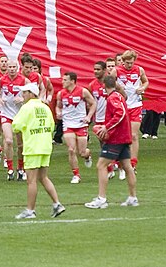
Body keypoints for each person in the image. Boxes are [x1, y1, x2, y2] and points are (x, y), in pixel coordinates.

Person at [11, 83, 66, 219]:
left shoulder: (26, 108)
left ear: (31, 93)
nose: (22, 95)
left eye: (24, 93)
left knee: (31, 180)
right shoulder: (45, 107)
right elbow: (52, 125)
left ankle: (30, 210)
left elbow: (16, 126)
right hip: (45, 146)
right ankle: (57, 203)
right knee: (43, 177)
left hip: (32, 147)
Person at [85, 74, 139, 209]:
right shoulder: (119, 96)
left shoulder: (112, 98)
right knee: (127, 167)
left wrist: (106, 127)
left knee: (101, 165)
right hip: (124, 137)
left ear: (104, 86)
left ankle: (101, 198)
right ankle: (133, 197)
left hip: (116, 138)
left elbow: (119, 114)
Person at [57, 70, 95, 184]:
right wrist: (58, 112)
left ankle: (88, 156)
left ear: (72, 81)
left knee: (82, 152)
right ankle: (76, 174)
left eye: (65, 80)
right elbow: (58, 106)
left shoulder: (83, 91)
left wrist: (88, 117)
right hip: (68, 124)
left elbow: (93, 103)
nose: (62, 82)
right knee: (71, 149)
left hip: (80, 124)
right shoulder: (61, 93)